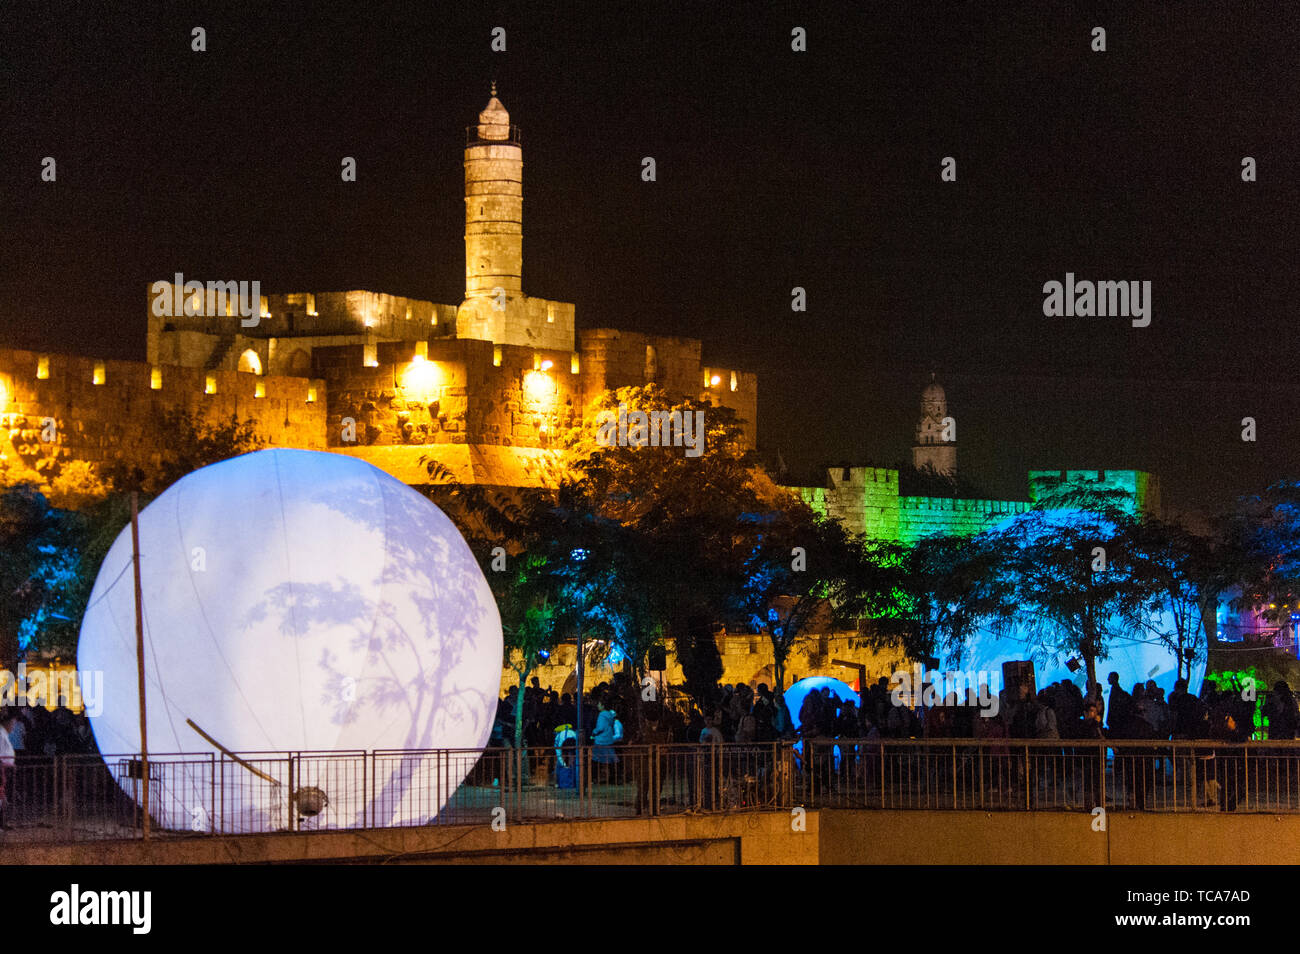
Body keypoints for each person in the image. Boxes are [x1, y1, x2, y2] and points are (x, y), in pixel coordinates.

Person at [0, 709, 17, 830]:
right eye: (12, 723)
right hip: (2, 769)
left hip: (5, 769)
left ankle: (2, 823)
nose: (13, 726)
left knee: (3, 797)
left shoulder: (4, 734)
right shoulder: (1, 734)